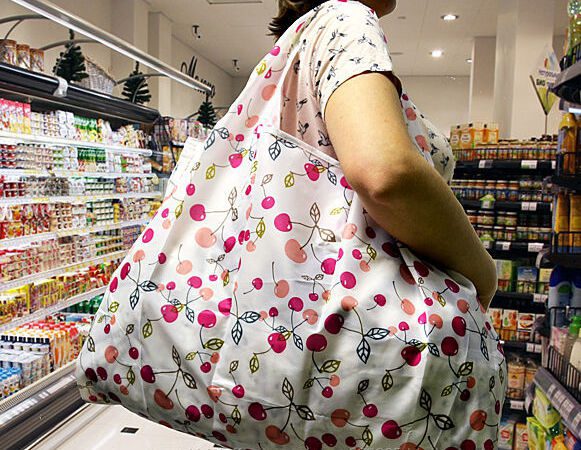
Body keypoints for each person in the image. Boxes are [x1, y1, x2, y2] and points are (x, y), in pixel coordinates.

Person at [271, 0, 498, 310]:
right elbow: (386, 173)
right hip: (373, 310)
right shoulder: (347, 19)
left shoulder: (297, 45)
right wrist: (484, 273)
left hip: (315, 301)